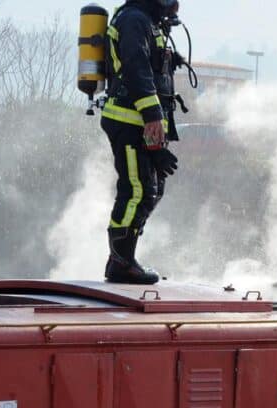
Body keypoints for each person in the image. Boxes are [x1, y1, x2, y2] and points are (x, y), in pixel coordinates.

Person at [101, 0, 183, 284]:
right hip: (130, 121)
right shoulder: (134, 20)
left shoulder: (146, 22)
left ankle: (124, 256)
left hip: (142, 123)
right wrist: (152, 118)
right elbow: (136, 70)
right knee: (138, 190)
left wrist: (169, 60)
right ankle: (121, 262)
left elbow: (148, 66)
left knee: (152, 190)